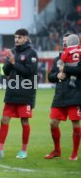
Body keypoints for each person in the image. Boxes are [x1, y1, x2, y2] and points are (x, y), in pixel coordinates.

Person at [0, 28, 38, 159]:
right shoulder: (13, 52)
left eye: (19, 37)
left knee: (24, 121)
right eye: (15, 37)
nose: (17, 40)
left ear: (26, 38)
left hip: (26, 93)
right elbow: (6, 71)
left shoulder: (32, 53)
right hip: (12, 92)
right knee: (4, 119)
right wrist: (9, 61)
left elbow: (29, 73)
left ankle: (23, 150)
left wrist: (15, 62)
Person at [45, 33, 81, 161]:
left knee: (75, 124)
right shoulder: (57, 59)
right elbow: (50, 76)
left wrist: (65, 69)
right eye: (64, 41)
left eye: (67, 41)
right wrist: (57, 76)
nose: (65, 43)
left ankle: (74, 153)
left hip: (75, 95)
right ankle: (57, 150)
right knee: (53, 123)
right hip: (60, 96)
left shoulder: (79, 57)